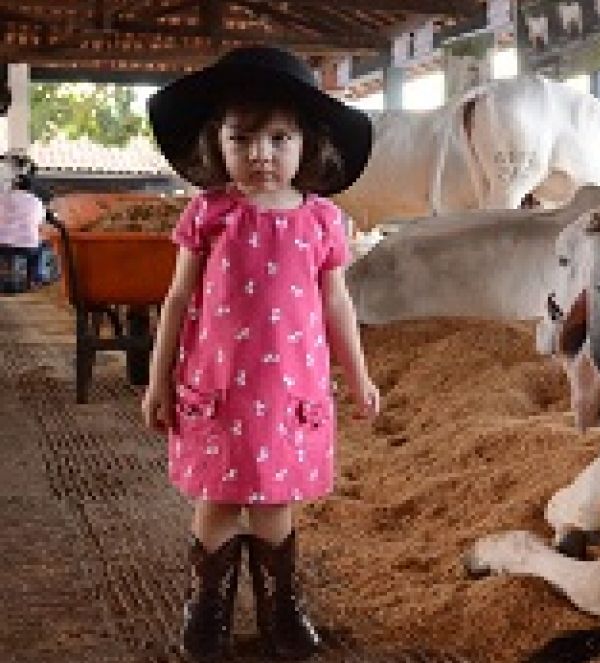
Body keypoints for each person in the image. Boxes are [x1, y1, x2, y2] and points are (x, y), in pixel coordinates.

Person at [141, 45, 379, 662]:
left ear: (308, 144)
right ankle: (207, 608)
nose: (261, 154)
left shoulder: (323, 221)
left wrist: (358, 376)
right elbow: (175, 300)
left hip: (287, 395)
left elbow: (338, 306)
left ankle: (281, 608)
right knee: (217, 502)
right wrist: (157, 380)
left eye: (278, 138)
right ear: (215, 143)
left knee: (275, 506)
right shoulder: (208, 215)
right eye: (242, 138)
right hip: (215, 388)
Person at [0, 152, 48, 291]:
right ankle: (34, 278)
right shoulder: (37, 201)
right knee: (42, 247)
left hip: (2, 244)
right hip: (28, 245)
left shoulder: (3, 197)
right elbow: (40, 222)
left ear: (14, 185)